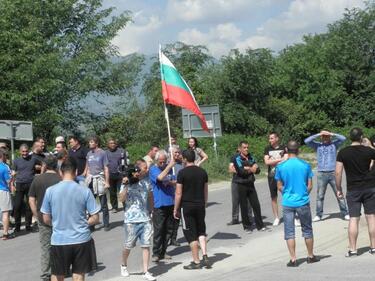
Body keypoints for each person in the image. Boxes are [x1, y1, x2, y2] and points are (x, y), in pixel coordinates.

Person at [41, 157, 100, 281]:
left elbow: (45, 218)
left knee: (57, 275)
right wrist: (84, 222)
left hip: (59, 240)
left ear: (60, 172)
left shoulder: (50, 191)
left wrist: (56, 224)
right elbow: (95, 217)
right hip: (81, 239)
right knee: (78, 275)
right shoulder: (85, 191)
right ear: (77, 172)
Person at [275, 140, 319, 267]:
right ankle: (310, 256)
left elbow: (279, 186)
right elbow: (310, 185)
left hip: (288, 202)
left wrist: (287, 193)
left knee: (289, 231)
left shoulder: (281, 166)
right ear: (298, 150)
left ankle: (293, 259)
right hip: (302, 201)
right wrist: (303, 193)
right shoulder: (305, 165)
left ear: (287, 150)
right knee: (307, 229)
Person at [335, 128, 375, 257]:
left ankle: (353, 249)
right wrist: (369, 146)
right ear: (361, 137)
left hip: (353, 189)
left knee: (354, 218)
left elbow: (338, 172)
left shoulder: (343, 152)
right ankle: (374, 247)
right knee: (371, 217)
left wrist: (338, 188)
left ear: (350, 137)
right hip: (369, 187)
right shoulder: (369, 151)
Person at [174, 149, 210, 270]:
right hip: (200, 205)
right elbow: (205, 190)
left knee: (191, 235)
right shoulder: (202, 172)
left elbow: (178, 193)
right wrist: (204, 203)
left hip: (187, 206)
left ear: (184, 159)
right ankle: (205, 254)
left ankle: (196, 261)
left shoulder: (182, 173)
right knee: (201, 230)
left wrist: (175, 209)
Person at [119, 165, 156, 281]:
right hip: (131, 220)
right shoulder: (126, 184)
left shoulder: (146, 183)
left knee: (146, 245)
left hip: (145, 219)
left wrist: (151, 211)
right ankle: (123, 265)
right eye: (135, 173)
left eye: (138, 172)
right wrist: (125, 185)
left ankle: (146, 271)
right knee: (128, 245)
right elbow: (121, 199)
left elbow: (150, 196)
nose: (137, 174)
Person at [305, 130, 349, 221]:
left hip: (333, 172)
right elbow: (306, 141)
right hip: (321, 173)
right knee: (320, 196)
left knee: (339, 193)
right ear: (321, 137)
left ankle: (345, 213)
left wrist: (332, 134)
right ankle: (318, 214)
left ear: (329, 136)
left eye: (326, 136)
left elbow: (343, 138)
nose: (325, 137)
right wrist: (319, 134)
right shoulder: (317, 145)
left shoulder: (334, 144)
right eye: (323, 136)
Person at [29, 155, 61, 281]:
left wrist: (36, 215)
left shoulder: (37, 180)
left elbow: (31, 199)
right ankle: (61, 269)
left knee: (45, 246)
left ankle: (46, 273)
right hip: (59, 217)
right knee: (60, 245)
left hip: (42, 218)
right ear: (56, 165)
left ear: (45, 165)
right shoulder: (60, 179)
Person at [232, 141, 265, 232]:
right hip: (241, 184)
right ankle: (247, 226)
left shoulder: (251, 157)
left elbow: (258, 170)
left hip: (250, 183)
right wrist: (251, 168)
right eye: (244, 147)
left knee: (256, 204)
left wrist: (249, 168)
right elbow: (241, 172)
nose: (246, 149)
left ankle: (260, 225)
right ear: (240, 149)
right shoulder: (236, 158)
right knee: (244, 205)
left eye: (247, 147)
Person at [149, 150, 175, 262]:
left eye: (164, 162)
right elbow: (160, 178)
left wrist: (169, 180)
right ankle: (156, 253)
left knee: (169, 230)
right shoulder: (153, 169)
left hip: (170, 201)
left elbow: (175, 180)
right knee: (159, 229)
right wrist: (169, 166)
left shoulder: (168, 169)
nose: (163, 164)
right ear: (156, 161)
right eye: (161, 162)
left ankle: (163, 252)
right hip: (159, 204)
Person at [84, 136, 111, 231]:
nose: (90, 144)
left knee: (103, 203)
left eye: (91, 142)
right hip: (91, 179)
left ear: (96, 143)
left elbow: (106, 168)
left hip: (100, 179)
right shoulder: (88, 153)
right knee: (90, 203)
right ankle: (91, 225)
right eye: (89, 142)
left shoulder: (102, 153)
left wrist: (107, 182)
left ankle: (106, 224)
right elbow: (87, 166)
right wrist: (86, 177)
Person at [11, 144, 39, 232]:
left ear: (28, 151)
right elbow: (13, 173)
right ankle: (17, 225)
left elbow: (44, 164)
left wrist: (40, 171)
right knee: (17, 206)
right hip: (19, 184)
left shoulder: (33, 159)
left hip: (30, 184)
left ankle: (28, 225)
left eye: (26, 151)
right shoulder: (16, 161)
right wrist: (12, 184)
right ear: (20, 152)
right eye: (23, 151)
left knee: (29, 205)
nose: (25, 153)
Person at [264, 132, 287, 226]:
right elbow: (266, 162)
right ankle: (276, 218)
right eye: (269, 138)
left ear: (277, 139)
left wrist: (272, 161)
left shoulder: (284, 148)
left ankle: (291, 216)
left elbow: (286, 159)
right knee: (273, 197)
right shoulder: (267, 149)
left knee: (286, 195)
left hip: (283, 175)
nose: (270, 140)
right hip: (272, 176)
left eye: (272, 138)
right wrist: (279, 160)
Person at [227, 156, 253, 226]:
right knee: (235, 200)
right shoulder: (234, 157)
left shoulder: (249, 157)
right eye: (243, 148)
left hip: (246, 180)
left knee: (248, 200)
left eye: (246, 147)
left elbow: (253, 168)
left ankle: (249, 218)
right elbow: (230, 169)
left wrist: (240, 169)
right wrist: (241, 170)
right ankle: (235, 218)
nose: (245, 149)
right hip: (236, 181)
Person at [106, 138, 126, 212]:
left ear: (116, 144)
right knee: (112, 192)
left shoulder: (121, 151)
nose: (112, 144)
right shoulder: (105, 153)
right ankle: (114, 207)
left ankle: (125, 205)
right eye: (111, 143)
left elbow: (126, 163)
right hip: (110, 175)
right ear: (108, 145)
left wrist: (125, 174)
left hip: (120, 174)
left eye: (114, 143)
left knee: (122, 191)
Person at [170, 147, 183, 247]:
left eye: (179, 152)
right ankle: (169, 237)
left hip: (180, 193)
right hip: (170, 194)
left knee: (178, 217)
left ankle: (174, 238)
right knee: (171, 218)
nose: (177, 154)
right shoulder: (168, 165)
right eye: (175, 153)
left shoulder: (183, 164)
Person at [0, 149, 13, 240]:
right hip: (3, 190)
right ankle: (5, 233)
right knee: (5, 212)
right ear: (2, 156)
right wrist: (14, 176)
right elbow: (8, 181)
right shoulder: (5, 167)